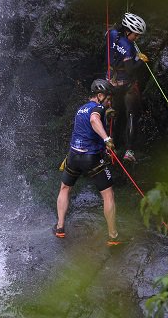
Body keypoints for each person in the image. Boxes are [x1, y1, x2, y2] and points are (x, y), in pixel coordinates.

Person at [54, 79, 122, 245]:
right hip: (90, 158)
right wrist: (106, 139)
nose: (109, 102)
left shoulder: (81, 109)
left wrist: (106, 114)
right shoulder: (97, 108)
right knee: (108, 194)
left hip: (73, 156)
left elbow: (88, 124)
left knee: (65, 188)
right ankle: (113, 236)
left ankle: (60, 228)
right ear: (99, 96)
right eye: (107, 99)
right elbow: (94, 120)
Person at [106, 12, 149, 162]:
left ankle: (112, 147)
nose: (137, 38)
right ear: (128, 31)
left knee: (115, 114)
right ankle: (129, 151)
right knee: (131, 114)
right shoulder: (128, 46)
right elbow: (131, 69)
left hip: (111, 81)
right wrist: (141, 60)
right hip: (126, 84)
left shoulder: (112, 34)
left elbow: (111, 35)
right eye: (136, 35)